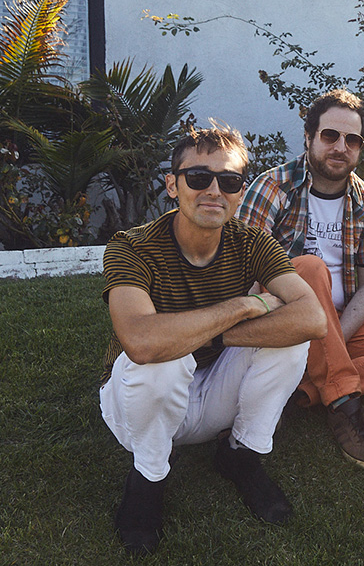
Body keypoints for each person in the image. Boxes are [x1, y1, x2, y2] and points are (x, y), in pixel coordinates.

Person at [99, 124, 327, 555]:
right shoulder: (131, 247)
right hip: (139, 404)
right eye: (199, 177)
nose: (214, 191)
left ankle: (241, 454)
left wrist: (215, 338)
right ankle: (148, 478)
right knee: (164, 356)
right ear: (173, 185)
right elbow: (141, 342)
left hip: (215, 388)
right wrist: (244, 305)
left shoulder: (253, 242)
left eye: (229, 181)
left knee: (291, 338)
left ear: (240, 192)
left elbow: (312, 319)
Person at [238, 89, 364, 470]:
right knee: (309, 268)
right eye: (330, 136)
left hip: (338, 322)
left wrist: (331, 336)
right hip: (280, 318)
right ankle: (343, 403)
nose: (341, 147)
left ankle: (301, 391)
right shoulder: (272, 187)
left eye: (352, 140)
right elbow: (245, 275)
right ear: (309, 137)